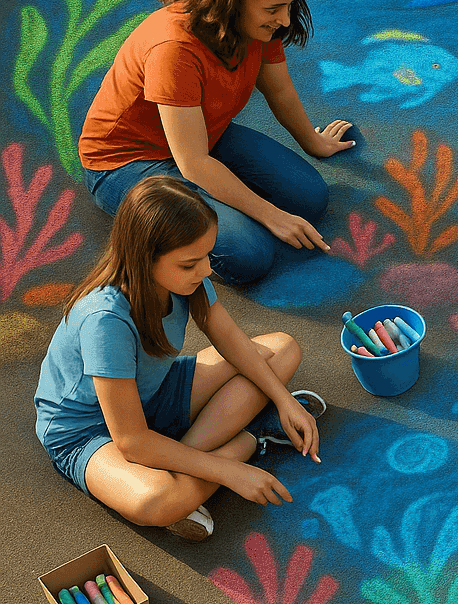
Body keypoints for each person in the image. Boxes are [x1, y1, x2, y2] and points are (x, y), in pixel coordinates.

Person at [34, 176, 327, 541]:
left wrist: (284, 401)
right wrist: (227, 471)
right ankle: (254, 437)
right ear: (145, 259)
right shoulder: (105, 320)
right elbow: (132, 442)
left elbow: (234, 343)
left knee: (282, 349)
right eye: (190, 264)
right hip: (89, 432)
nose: (205, 271)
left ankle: (183, 465)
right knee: (154, 501)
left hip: (153, 392)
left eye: (206, 256)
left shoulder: (184, 275)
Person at [79, 0, 356, 285]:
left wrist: (314, 143)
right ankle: (145, 228)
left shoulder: (258, 26)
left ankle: (212, 202)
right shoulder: (174, 48)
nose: (285, 20)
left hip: (201, 135)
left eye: (289, 4)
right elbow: (193, 163)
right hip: (125, 162)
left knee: (310, 196)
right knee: (248, 254)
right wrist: (271, 215)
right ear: (232, 0)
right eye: (273, 9)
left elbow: (281, 91)